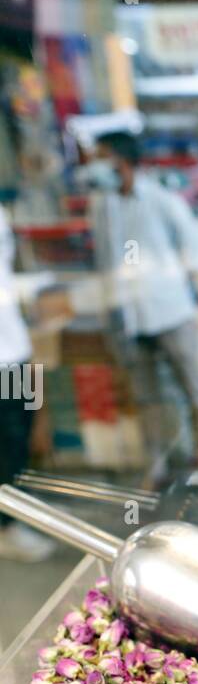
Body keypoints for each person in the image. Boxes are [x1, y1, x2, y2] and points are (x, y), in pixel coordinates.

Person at [41, 130, 198, 488]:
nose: (93, 165)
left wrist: (177, 283)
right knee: (146, 398)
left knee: (195, 392)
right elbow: (109, 266)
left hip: (171, 313)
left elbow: (197, 250)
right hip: (129, 319)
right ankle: (156, 465)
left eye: (100, 156)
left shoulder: (161, 200)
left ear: (121, 161)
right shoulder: (102, 206)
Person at [0, 202, 54, 561]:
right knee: (7, 441)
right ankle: (6, 528)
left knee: (21, 436)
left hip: (14, 348)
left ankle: (17, 515)